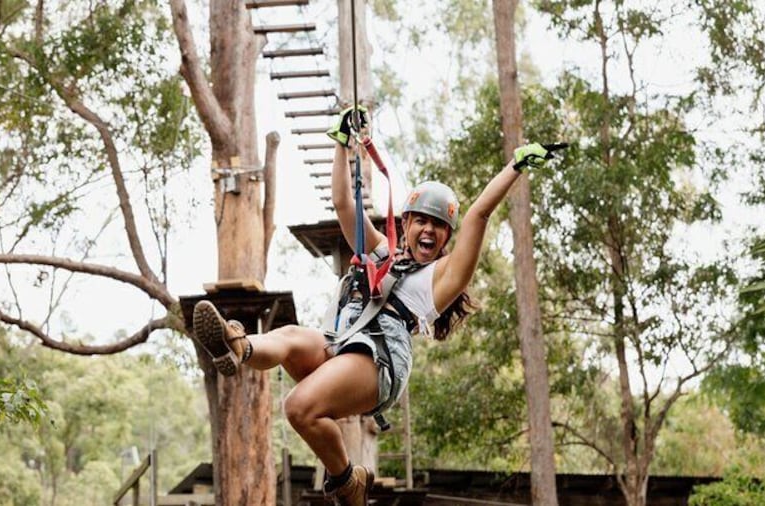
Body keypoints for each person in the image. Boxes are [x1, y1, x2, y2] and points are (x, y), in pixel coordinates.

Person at [191, 107, 556, 506]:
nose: (429, 230)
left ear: (447, 237)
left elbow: (479, 216)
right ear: (407, 223)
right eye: (422, 221)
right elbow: (344, 205)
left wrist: (515, 166)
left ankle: (348, 480)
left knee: (298, 408)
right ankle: (236, 344)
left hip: (379, 360)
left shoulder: (442, 278)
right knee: (291, 337)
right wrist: (341, 142)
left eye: (439, 225)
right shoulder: (384, 251)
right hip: (341, 342)